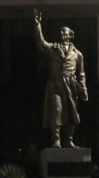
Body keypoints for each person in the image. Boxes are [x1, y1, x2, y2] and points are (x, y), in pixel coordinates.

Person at [34, 8, 88, 148]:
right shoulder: (53, 49)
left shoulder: (78, 54)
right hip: (56, 83)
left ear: (70, 35)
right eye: (61, 32)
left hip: (71, 84)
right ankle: (56, 140)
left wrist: (84, 89)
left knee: (72, 113)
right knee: (57, 110)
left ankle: (69, 139)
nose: (62, 33)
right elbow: (41, 43)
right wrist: (37, 26)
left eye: (65, 31)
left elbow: (81, 73)